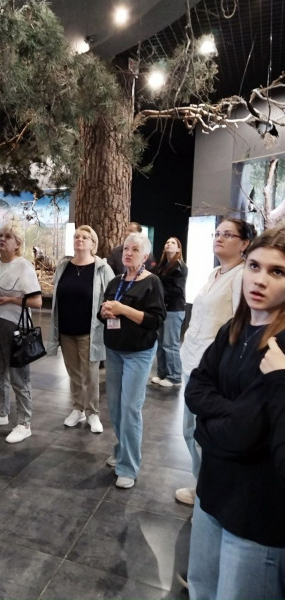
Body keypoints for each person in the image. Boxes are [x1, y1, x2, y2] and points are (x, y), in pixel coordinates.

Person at [185, 225, 285, 600]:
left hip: (256, 511)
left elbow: (243, 433)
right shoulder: (233, 329)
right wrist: (229, 415)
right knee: (200, 586)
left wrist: (207, 425)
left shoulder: (281, 349)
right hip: (212, 492)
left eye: (277, 271)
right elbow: (196, 388)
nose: (260, 279)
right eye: (254, 266)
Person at [175, 217, 255, 506]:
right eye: (217, 233)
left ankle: (208, 495)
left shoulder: (241, 276)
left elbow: (240, 326)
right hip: (193, 361)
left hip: (214, 369)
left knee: (204, 433)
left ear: (244, 244)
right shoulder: (216, 273)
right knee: (190, 430)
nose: (219, 238)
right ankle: (202, 486)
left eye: (228, 235)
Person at [100, 232, 166, 488]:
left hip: (139, 352)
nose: (128, 253)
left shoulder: (152, 283)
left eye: (135, 249)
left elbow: (155, 320)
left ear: (145, 256)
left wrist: (123, 309)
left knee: (130, 408)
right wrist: (105, 312)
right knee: (115, 407)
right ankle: (122, 449)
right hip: (114, 349)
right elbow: (102, 312)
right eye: (126, 249)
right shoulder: (115, 282)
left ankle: (128, 466)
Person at [0, 224, 42, 444]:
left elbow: (37, 301)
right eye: (0, 236)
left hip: (15, 327)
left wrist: (11, 300)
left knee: (19, 376)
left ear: (17, 244)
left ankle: (24, 423)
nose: (2, 239)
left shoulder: (24, 267)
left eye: (7, 236)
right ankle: (1, 412)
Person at [48, 225, 114, 433]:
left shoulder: (101, 268)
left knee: (90, 375)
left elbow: (112, 296)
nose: (80, 240)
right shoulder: (64, 266)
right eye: (77, 236)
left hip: (89, 331)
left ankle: (93, 412)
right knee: (74, 372)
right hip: (66, 330)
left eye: (85, 237)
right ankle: (78, 408)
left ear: (93, 243)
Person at [151, 237, 188, 387]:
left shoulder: (180, 266)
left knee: (170, 344)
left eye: (173, 243)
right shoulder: (161, 265)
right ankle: (162, 373)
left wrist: (159, 291)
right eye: (167, 242)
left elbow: (177, 290)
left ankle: (175, 377)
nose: (169, 244)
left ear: (178, 249)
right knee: (161, 343)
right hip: (162, 308)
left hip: (174, 309)